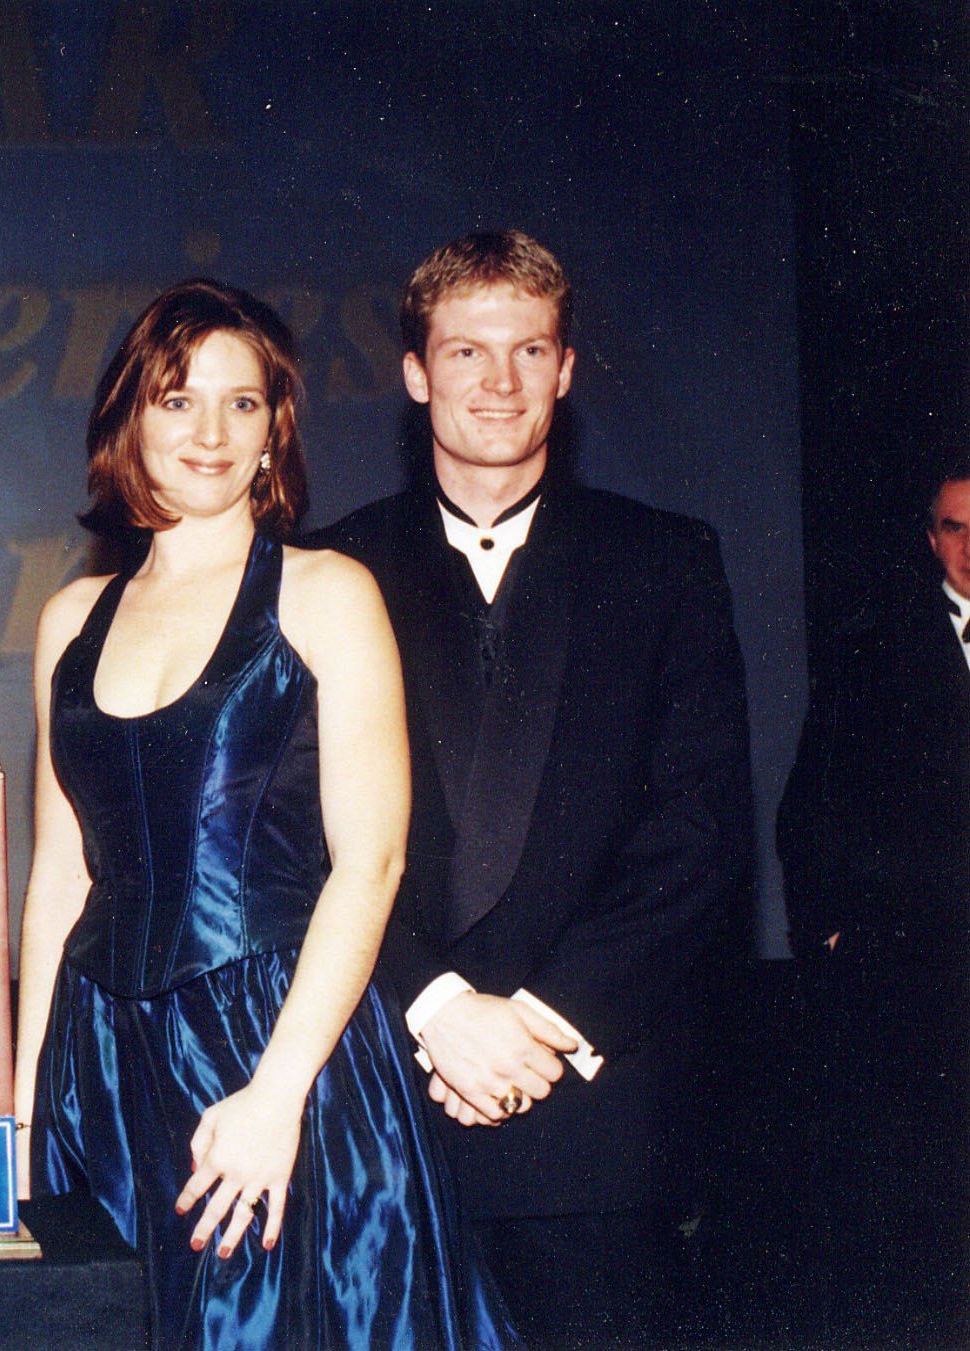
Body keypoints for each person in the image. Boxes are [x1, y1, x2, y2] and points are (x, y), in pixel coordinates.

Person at [14, 279, 516, 1349]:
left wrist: (276, 1094)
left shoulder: (327, 591)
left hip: (281, 1051)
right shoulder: (68, 618)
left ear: (274, 429)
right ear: (129, 417)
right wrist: (20, 1113)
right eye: (177, 398)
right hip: (99, 1066)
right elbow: (60, 875)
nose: (208, 432)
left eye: (242, 405)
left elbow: (370, 864)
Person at [318, 230, 753, 1346]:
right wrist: (439, 1009)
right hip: (388, 1105)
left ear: (566, 369)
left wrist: (543, 1026)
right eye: (466, 353)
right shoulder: (329, 572)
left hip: (599, 1132)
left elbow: (701, 833)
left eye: (529, 351)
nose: (498, 383)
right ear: (417, 376)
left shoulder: (668, 560)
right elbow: (298, 838)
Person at [775, 459, 970, 1340]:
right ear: (931, 541)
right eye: (956, 528)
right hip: (916, 965)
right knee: (918, 1182)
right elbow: (808, 800)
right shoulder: (875, 649)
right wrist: (830, 934)